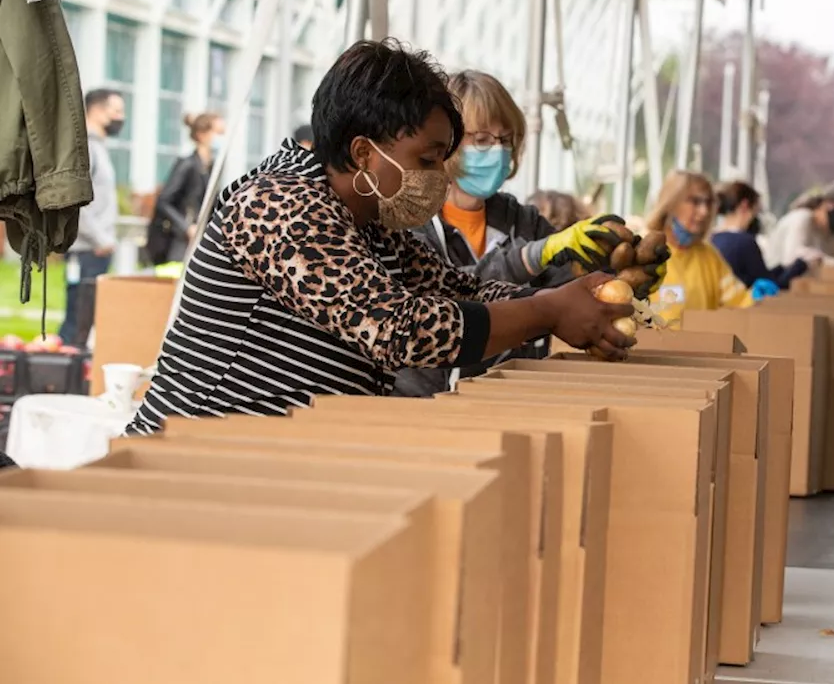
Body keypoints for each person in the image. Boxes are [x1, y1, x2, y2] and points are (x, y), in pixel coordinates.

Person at [126, 40, 633, 436]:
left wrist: (562, 297)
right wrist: (546, 312)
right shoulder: (279, 206)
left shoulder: (371, 227)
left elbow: (460, 291)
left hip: (272, 467)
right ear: (365, 152)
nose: (439, 175)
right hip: (195, 461)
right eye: (428, 159)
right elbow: (401, 329)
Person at [396, 69, 639, 396]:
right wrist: (531, 257)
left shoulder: (525, 222)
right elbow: (447, 291)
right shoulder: (412, 219)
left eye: (505, 139)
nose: (496, 151)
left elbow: (575, 296)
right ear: (447, 142)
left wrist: (621, 279)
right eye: (481, 139)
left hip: (515, 400)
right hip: (422, 405)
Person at [60, 88, 125, 346]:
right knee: (76, 322)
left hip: (95, 250)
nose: (121, 117)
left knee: (84, 323)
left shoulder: (98, 147)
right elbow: (74, 202)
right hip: (87, 250)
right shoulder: (85, 147)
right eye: (117, 111)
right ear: (97, 111)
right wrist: (101, 240)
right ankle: (61, 376)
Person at [650, 171, 757, 327]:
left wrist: (756, 299)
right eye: (695, 202)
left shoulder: (709, 255)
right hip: (650, 350)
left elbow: (738, 300)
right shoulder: (645, 252)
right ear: (670, 203)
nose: (704, 211)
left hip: (701, 349)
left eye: (708, 203)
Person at [146, 112, 225, 275]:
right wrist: (186, 227)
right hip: (178, 245)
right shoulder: (187, 165)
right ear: (202, 135)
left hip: (199, 243)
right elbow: (164, 201)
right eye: (218, 133)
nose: (221, 138)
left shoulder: (212, 168)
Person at [712, 180, 811, 292]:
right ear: (745, 206)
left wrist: (782, 268)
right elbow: (771, 287)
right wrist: (801, 264)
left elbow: (757, 275)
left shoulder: (711, 238)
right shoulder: (744, 242)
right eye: (756, 211)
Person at [767, 180, 834, 269]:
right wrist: (832, 262)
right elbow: (792, 256)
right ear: (829, 204)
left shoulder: (829, 234)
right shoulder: (801, 218)